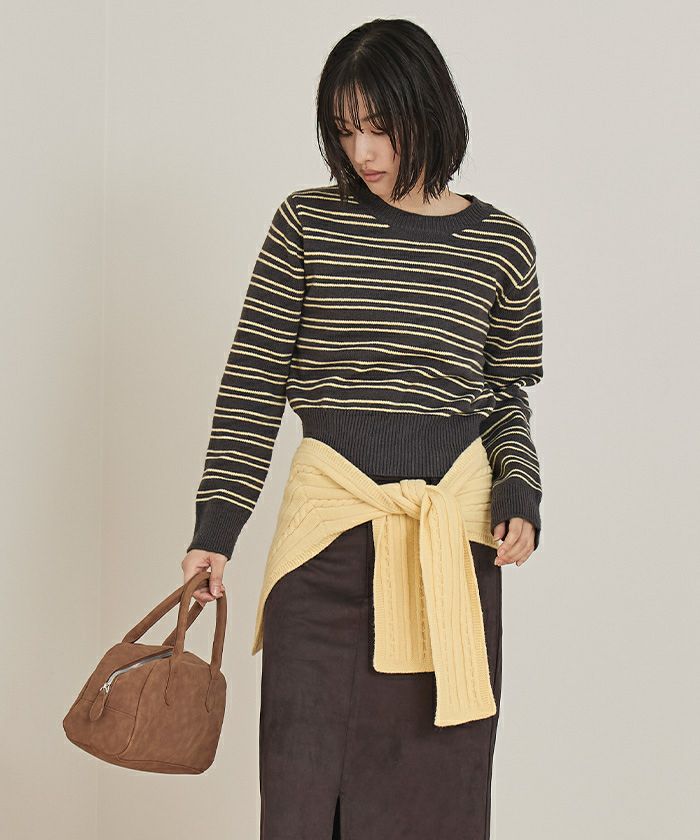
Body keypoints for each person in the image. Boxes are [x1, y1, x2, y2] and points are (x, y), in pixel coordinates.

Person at [182, 17, 543, 840]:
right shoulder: (305, 224)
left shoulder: (501, 245)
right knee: (304, 786)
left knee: (436, 795)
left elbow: (505, 393)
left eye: (381, 126)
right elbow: (253, 381)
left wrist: (520, 490)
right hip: (327, 541)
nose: (363, 152)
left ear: (430, 112)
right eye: (345, 130)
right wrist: (217, 529)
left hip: (450, 545)